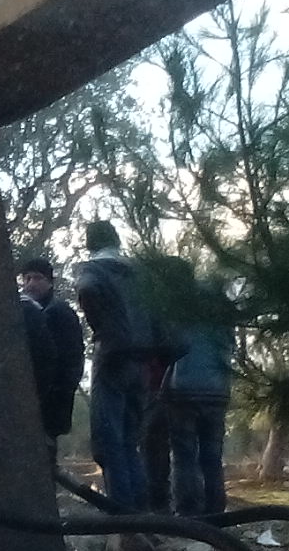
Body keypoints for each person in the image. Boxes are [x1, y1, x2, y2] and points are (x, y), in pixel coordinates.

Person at [66, 219, 153, 511]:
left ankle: (123, 516)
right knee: (130, 439)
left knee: (110, 440)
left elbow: (87, 289)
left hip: (112, 356)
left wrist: (100, 326)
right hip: (141, 359)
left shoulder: (93, 270)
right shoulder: (137, 272)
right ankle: (142, 511)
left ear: (90, 242)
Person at [150, 275, 236, 517]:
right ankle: (216, 512)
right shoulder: (225, 323)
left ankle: (188, 511)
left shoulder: (183, 320)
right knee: (212, 456)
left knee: (184, 455)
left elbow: (173, 350)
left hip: (183, 391)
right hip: (218, 393)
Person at [18, 258, 86, 451]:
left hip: (51, 405)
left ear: (49, 282)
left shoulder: (59, 313)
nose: (31, 283)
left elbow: (71, 359)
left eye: (37, 278)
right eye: (27, 278)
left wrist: (56, 394)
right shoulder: (26, 312)